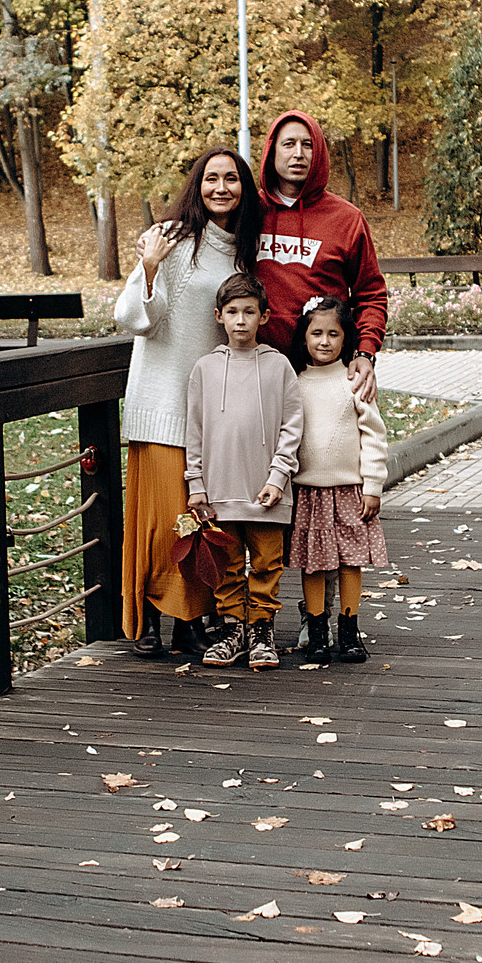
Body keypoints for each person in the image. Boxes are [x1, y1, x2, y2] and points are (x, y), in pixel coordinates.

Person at [112, 147, 260, 657]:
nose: (221, 188)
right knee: (161, 521)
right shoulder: (172, 240)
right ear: (197, 185)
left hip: (213, 408)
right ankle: (150, 617)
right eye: (211, 178)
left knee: (202, 520)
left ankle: (190, 620)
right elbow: (134, 318)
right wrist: (149, 268)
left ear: (245, 188)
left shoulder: (242, 250)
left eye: (232, 179)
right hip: (162, 403)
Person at [184, 273, 303, 670]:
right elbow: (194, 429)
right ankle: (233, 628)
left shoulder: (279, 366)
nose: (240, 320)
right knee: (229, 564)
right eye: (232, 312)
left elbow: (292, 426)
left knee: (268, 561)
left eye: (249, 312)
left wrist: (278, 477)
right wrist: (196, 484)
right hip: (219, 489)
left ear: (264, 317)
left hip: (265, 489)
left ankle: (262, 630)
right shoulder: (204, 369)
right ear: (219, 316)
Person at [253, 111, 391, 405]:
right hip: (259, 375)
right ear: (271, 150)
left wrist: (365, 353)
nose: (298, 154)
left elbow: (371, 295)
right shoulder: (249, 213)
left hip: (326, 375)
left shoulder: (347, 219)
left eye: (308, 144)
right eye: (288, 144)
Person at [286, 294, 387, 664]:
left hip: (350, 490)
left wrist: (373, 485)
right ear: (305, 337)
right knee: (313, 561)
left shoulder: (354, 381)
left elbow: (374, 436)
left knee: (350, 560)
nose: (324, 342)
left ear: (346, 339)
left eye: (333, 334)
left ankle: (349, 629)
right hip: (308, 490)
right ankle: (316, 628)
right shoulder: (294, 382)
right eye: (316, 333)